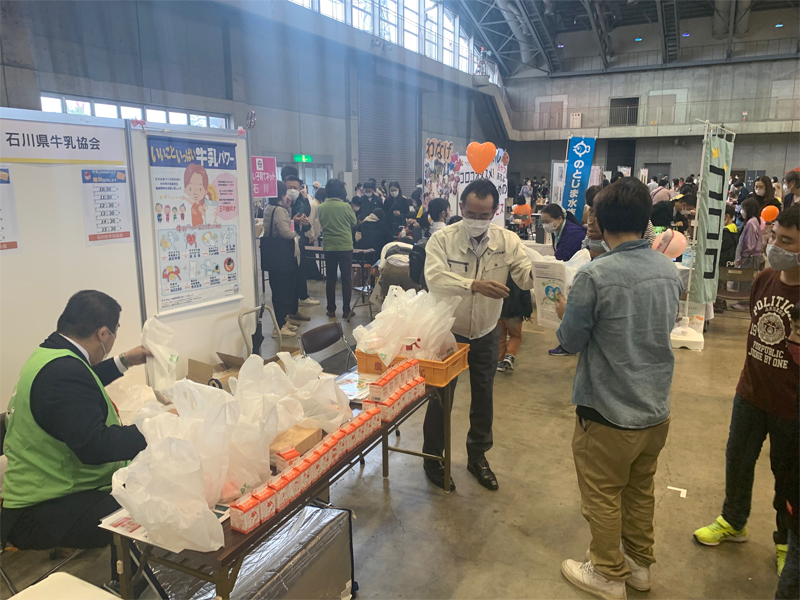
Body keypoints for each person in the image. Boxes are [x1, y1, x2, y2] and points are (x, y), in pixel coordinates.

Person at [555, 178, 683, 600]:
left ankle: (608, 572)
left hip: (608, 409)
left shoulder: (595, 275)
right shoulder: (668, 270)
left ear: (598, 220)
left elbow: (570, 340)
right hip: (655, 406)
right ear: (646, 218)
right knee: (640, 488)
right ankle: (640, 566)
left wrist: (562, 309)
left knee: (602, 493)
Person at [693, 205, 800, 582]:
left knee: (788, 478)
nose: (776, 247)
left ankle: (787, 540)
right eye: (774, 238)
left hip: (792, 406)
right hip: (750, 393)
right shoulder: (765, 279)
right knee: (737, 460)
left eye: (786, 242)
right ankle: (733, 521)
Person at [1, 291, 150, 561]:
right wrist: (152, 430)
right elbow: (96, 447)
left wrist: (125, 361)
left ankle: (128, 574)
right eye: (115, 332)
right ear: (103, 334)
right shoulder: (63, 374)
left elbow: (84, 382)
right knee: (148, 495)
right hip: (41, 507)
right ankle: (130, 581)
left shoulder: (51, 354)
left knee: (142, 480)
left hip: (52, 488)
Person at [423, 179, 533, 491]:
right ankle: (433, 458)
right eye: (471, 214)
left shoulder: (507, 240)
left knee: (484, 394)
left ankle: (478, 456)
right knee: (441, 397)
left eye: (484, 216)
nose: (477, 221)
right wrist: (472, 284)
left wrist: (547, 275)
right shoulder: (442, 240)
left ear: (495, 211)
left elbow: (525, 276)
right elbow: (434, 278)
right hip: (448, 331)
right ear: (460, 208)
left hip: (485, 329)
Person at [262, 182, 302, 338]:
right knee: (283, 291)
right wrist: (295, 231)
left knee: (279, 290)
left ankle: (283, 321)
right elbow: (286, 232)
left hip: (274, 256)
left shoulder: (270, 208)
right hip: (282, 257)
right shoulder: (278, 210)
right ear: (281, 194)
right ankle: (279, 326)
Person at [318, 179, 358, 319]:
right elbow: (354, 222)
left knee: (331, 279)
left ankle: (331, 310)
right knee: (346, 279)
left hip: (329, 246)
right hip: (345, 246)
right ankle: (346, 310)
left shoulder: (321, 207)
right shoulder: (346, 206)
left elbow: (321, 223)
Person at [284, 175, 318, 313]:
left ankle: (302, 297)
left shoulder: (302, 202)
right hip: (285, 244)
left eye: (295, 188)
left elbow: (307, 216)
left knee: (301, 269)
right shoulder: (279, 204)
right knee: (289, 274)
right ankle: (291, 304)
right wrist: (293, 221)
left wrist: (304, 223)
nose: (292, 190)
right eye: (289, 188)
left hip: (300, 240)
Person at [496, 276, 532, 373]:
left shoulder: (498, 275)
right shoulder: (520, 277)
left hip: (498, 313)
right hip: (515, 314)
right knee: (515, 336)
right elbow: (526, 296)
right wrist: (528, 313)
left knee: (500, 337)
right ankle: (509, 356)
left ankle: (500, 361)